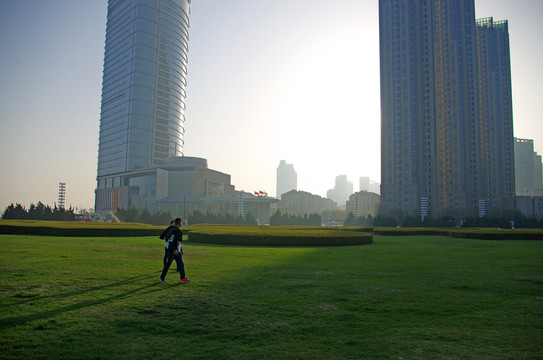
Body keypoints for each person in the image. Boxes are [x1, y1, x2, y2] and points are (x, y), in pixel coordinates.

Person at [159, 218, 190, 284]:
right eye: (181, 223)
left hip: (176, 250)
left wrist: (180, 250)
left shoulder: (172, 229)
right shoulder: (175, 230)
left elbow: (175, 241)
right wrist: (174, 250)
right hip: (173, 250)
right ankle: (162, 277)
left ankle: (182, 278)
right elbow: (172, 241)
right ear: (180, 223)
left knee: (181, 264)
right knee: (168, 264)